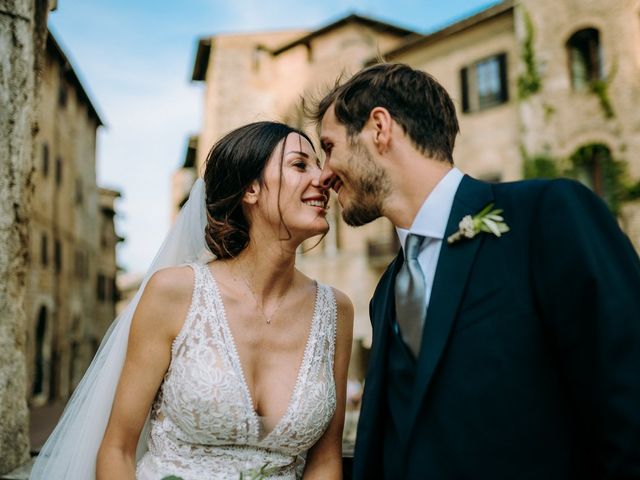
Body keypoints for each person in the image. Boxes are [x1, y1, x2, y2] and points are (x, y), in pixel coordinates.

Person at [309, 62, 640, 479]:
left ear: (379, 128)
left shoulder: (546, 216)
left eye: (329, 146)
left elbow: (628, 397)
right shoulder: (387, 292)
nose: (323, 174)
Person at [31, 121, 353, 479]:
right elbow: (117, 449)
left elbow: (325, 461)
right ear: (251, 189)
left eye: (318, 163)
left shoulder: (335, 311)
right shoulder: (174, 293)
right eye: (299, 164)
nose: (324, 176)